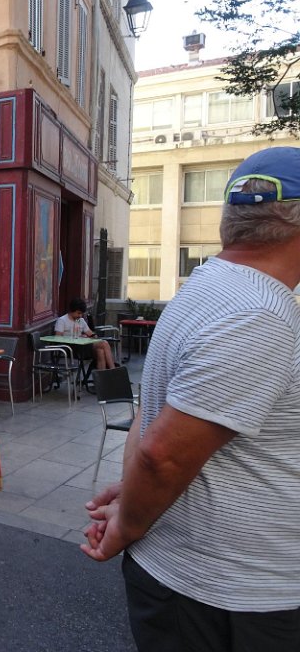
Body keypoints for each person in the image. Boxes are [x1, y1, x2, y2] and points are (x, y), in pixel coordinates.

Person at [81, 147, 300, 651]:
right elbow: (163, 453)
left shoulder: (206, 287)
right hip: (230, 593)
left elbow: (153, 413)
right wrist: (127, 525)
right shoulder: (259, 314)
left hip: (199, 583)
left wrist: (132, 495)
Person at [55, 298, 115, 370]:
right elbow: (58, 337)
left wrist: (91, 336)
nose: (80, 315)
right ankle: (113, 370)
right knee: (104, 343)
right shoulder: (62, 320)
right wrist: (78, 337)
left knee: (100, 351)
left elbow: (91, 334)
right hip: (72, 348)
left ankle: (103, 375)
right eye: (78, 313)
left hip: (84, 346)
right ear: (72, 310)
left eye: (81, 313)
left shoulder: (81, 320)